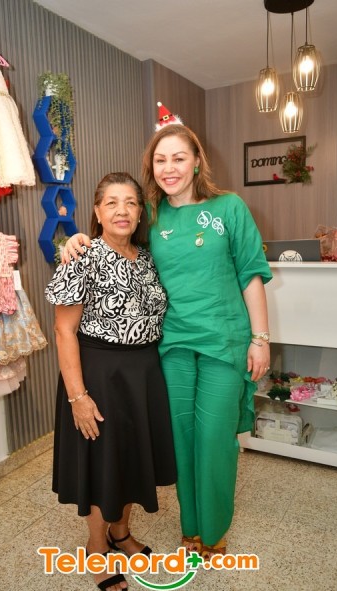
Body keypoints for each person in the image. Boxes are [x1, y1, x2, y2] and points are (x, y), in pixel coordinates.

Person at [63, 116, 272, 562]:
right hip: (171, 346)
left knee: (214, 440)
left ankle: (213, 532)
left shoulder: (230, 208)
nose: (169, 167)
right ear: (151, 167)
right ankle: (190, 530)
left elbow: (251, 274)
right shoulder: (152, 215)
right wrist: (76, 240)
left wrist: (261, 337)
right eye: (160, 160)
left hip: (223, 341)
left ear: (197, 162)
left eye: (179, 158)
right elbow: (115, 236)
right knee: (182, 440)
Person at [45, 172, 177, 591]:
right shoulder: (82, 256)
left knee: (131, 458)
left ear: (140, 213)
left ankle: (121, 533)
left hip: (143, 374)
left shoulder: (147, 257)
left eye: (131, 203)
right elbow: (64, 331)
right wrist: (77, 397)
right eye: (112, 203)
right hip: (99, 375)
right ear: (98, 212)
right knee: (103, 464)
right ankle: (97, 546)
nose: (123, 211)